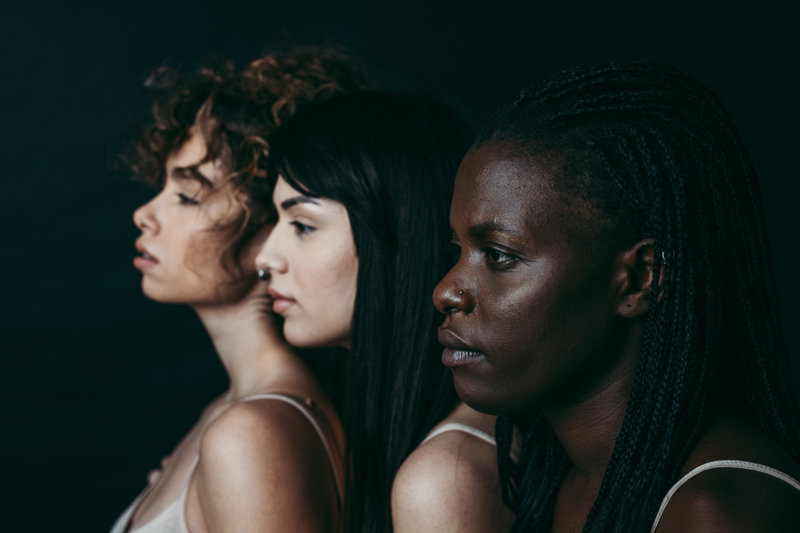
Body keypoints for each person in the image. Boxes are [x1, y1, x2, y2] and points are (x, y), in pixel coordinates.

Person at [433, 60, 800, 532]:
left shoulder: (716, 511)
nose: (446, 291)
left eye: (499, 255)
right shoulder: (557, 475)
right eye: (456, 249)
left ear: (642, 276)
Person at [110, 48, 366, 533]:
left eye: (188, 195)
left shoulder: (253, 433)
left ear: (270, 225)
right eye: (162, 185)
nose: (144, 213)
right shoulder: (228, 412)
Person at [255, 92, 515, 533]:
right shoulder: (386, 433)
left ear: (398, 238)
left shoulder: (441, 482)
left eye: (302, 225)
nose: (265, 257)